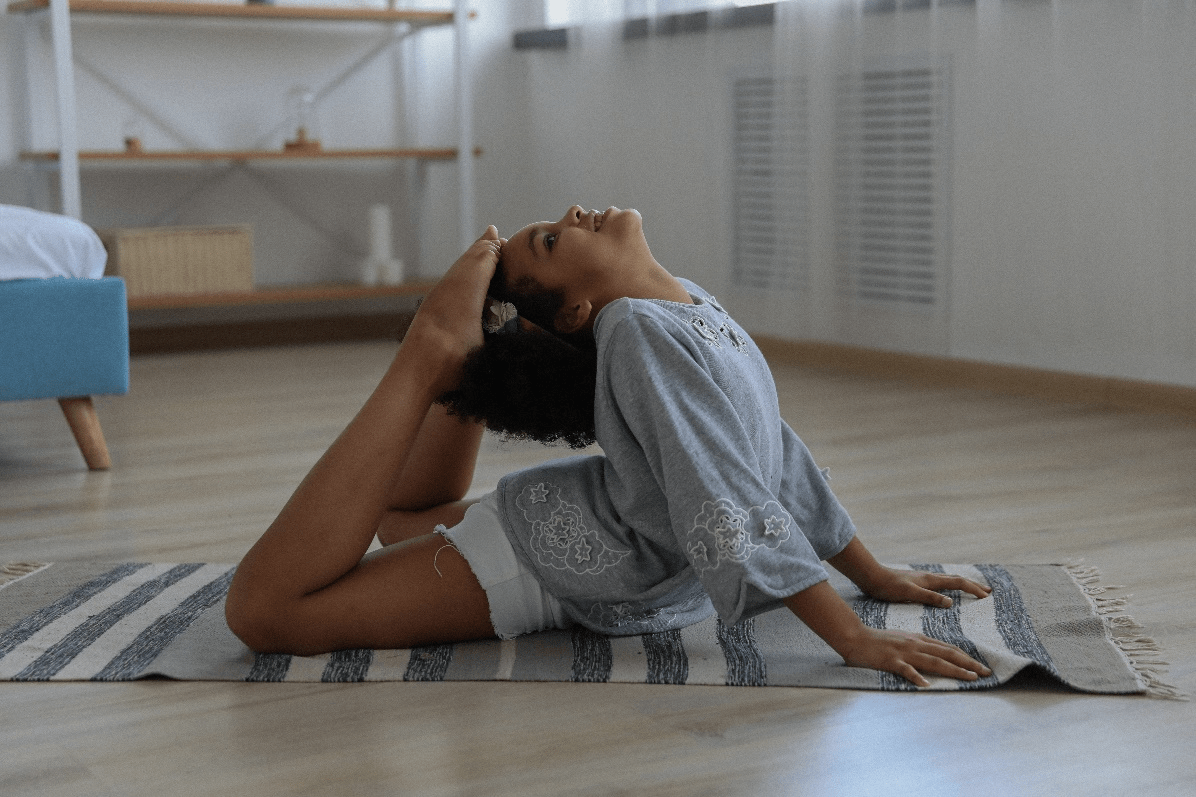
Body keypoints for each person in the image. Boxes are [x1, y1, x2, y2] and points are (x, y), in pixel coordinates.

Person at [225, 205, 993, 688]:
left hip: (599, 541)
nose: (575, 211)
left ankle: (454, 353)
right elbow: (721, 492)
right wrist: (849, 635)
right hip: (538, 558)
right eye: (553, 240)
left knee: (394, 522)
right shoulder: (633, 331)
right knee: (265, 612)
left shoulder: (691, 305)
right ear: (578, 311)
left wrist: (868, 571)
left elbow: (769, 452)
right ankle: (432, 350)